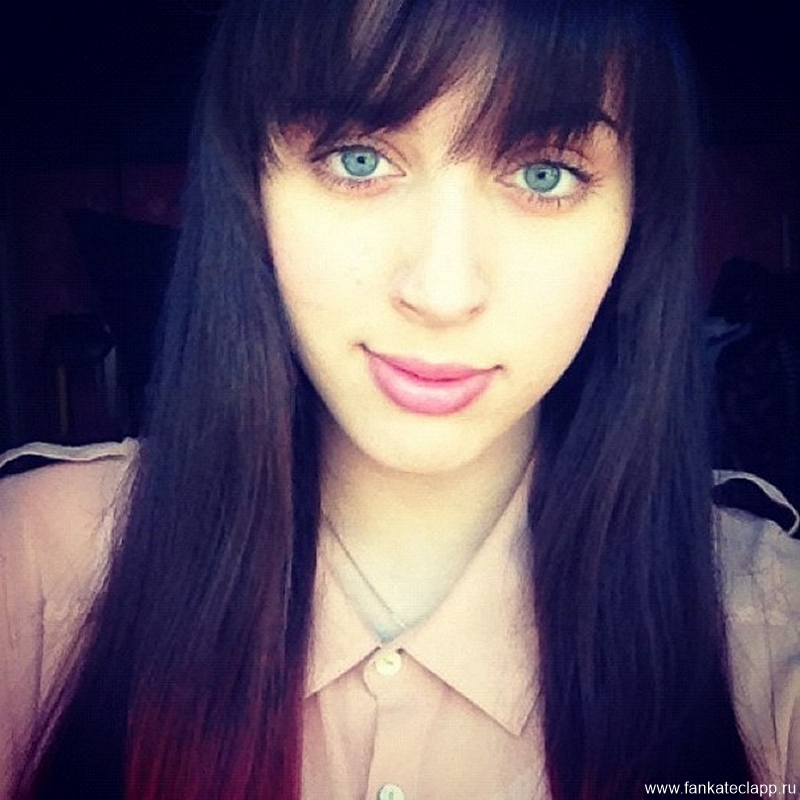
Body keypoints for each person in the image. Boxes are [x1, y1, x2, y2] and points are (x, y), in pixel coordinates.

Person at [1, 0, 798, 797]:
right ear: (251, 188)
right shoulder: (32, 569)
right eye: (358, 159)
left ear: (637, 217)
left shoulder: (770, 631)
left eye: (544, 173)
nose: (441, 293)